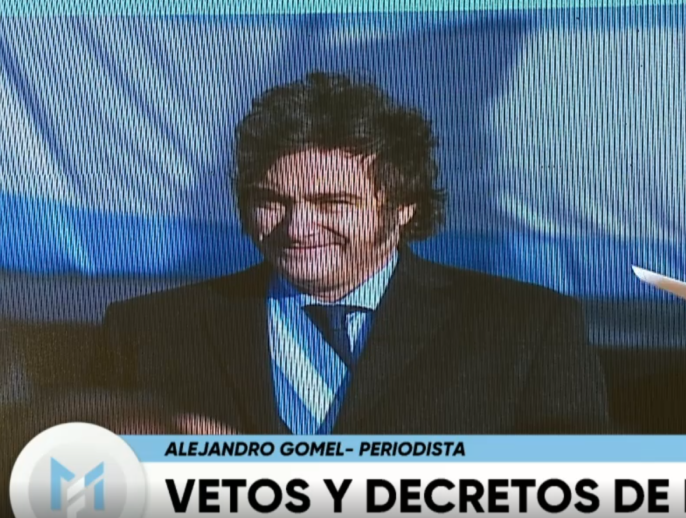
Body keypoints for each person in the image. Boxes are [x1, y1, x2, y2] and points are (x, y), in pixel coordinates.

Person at [98, 71, 611, 435]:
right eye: (272, 201)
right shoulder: (146, 332)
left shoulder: (526, 328)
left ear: (403, 206)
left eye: (333, 203)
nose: (297, 228)